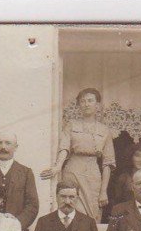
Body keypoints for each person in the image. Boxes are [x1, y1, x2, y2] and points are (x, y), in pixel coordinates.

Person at [40, 88, 116, 222]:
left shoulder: (104, 130)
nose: (86, 104)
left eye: (90, 101)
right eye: (83, 101)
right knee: (70, 208)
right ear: (79, 105)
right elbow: (64, 147)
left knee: (92, 214)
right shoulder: (71, 125)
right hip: (73, 170)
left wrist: (103, 191)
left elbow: (108, 163)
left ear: (97, 105)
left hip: (93, 174)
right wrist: (58, 167)